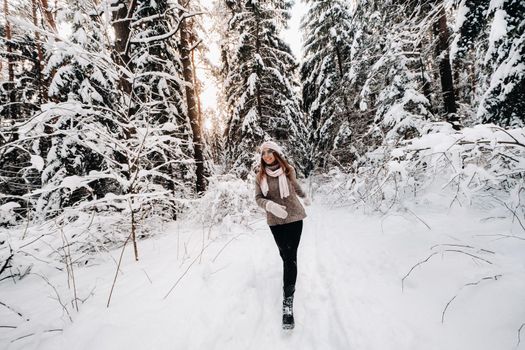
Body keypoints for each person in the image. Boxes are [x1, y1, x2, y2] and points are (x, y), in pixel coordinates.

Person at [254, 140, 310, 330]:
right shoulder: (259, 176)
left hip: (294, 216)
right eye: (263, 153)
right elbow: (258, 198)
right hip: (275, 220)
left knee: (290, 257)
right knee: (284, 254)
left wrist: (304, 196)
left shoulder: (288, 170)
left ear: (276, 153)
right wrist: (270, 205)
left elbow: (294, 186)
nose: (266, 155)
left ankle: (288, 303)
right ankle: (289, 279)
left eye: (270, 152)